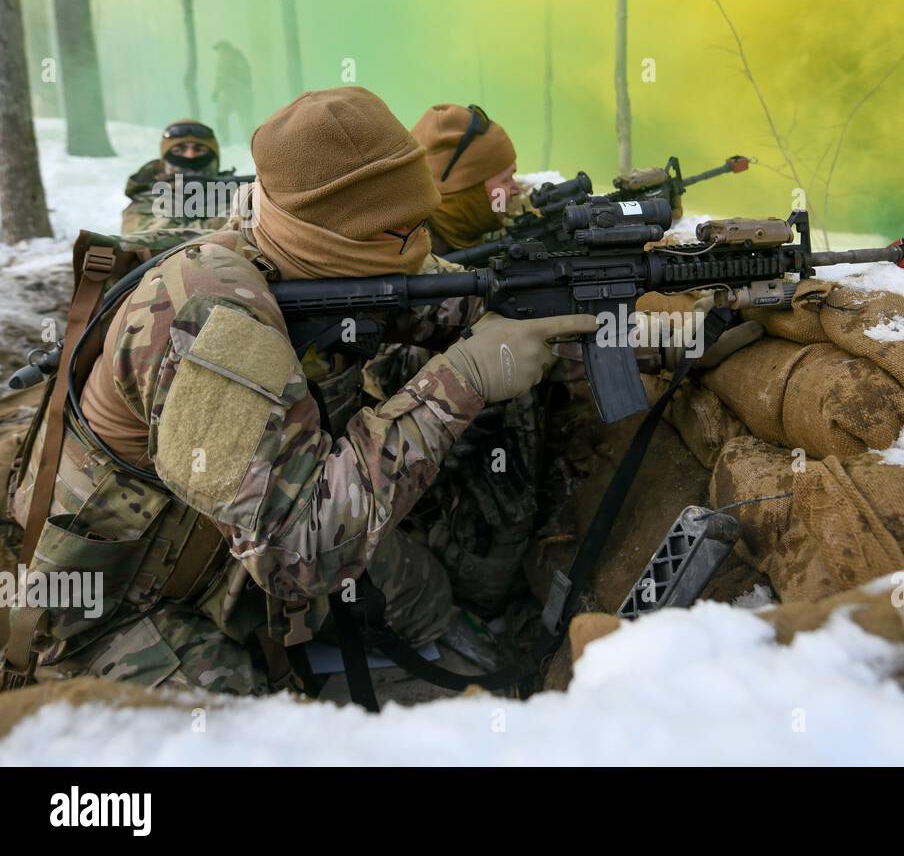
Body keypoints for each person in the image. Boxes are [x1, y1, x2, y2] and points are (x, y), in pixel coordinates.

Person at [1, 87, 596, 696]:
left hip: (212, 544)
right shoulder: (210, 317)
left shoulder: (294, 245)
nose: (419, 243)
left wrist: (560, 297)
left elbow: (424, 288)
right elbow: (297, 553)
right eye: (399, 229)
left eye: (423, 218)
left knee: (424, 597)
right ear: (340, 233)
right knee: (253, 729)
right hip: (105, 608)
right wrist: (462, 381)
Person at [411, 104, 520, 255]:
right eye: (506, 180)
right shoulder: (406, 256)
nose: (516, 190)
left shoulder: (487, 219)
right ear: (469, 191)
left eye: (512, 175)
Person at [120, 120, 236, 234]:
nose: (190, 156)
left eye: (200, 150)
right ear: (164, 162)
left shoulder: (237, 194)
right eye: (178, 150)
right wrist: (233, 222)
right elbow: (153, 241)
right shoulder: (145, 199)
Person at [211, 41, 254, 142]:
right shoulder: (222, 60)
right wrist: (216, 91)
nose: (219, 52)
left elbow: (245, 74)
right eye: (218, 50)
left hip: (239, 93)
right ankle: (224, 141)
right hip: (226, 93)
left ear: (226, 48)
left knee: (245, 118)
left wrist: (235, 83)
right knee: (221, 117)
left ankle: (251, 141)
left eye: (220, 49)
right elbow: (220, 78)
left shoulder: (237, 57)